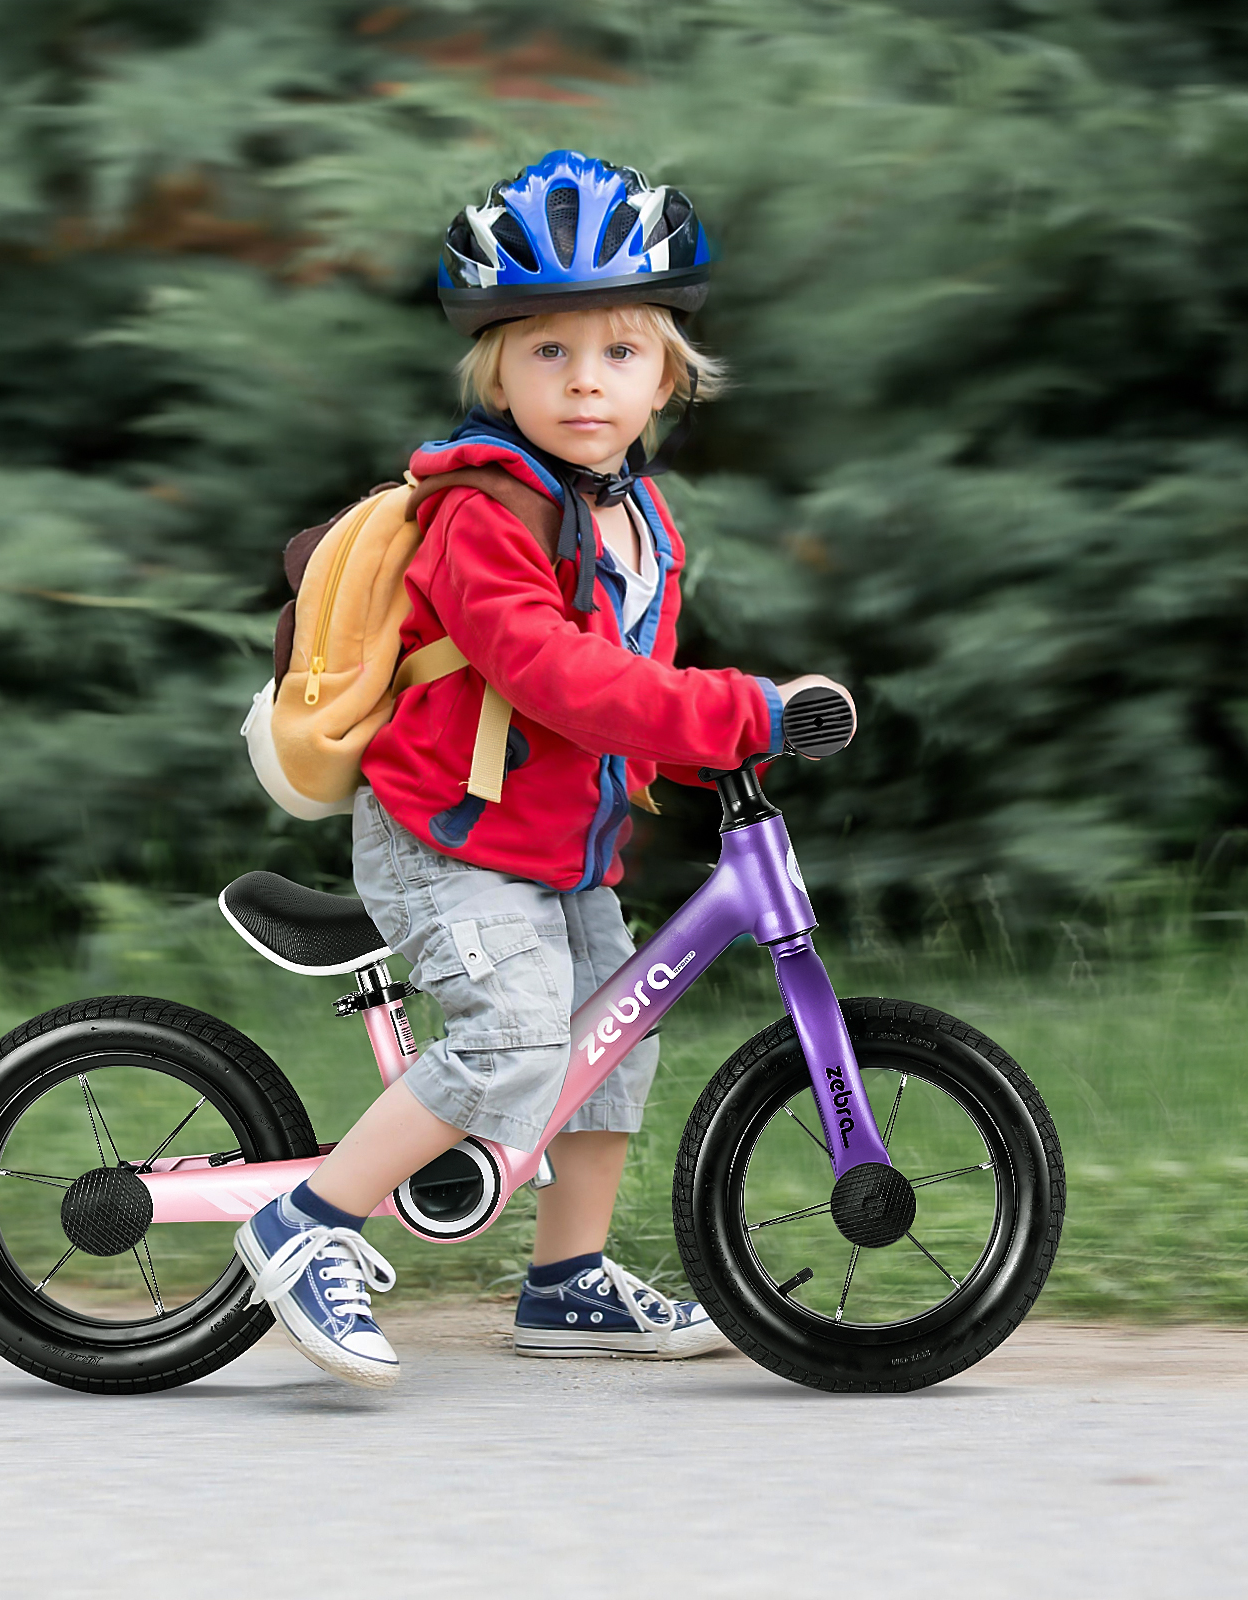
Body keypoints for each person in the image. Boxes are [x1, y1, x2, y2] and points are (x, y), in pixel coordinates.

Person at [234, 150, 847, 1388]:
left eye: (618, 353)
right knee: (516, 1035)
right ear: (493, 370)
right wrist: (736, 712)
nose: (583, 383)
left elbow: (626, 690)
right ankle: (304, 1226)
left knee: (615, 1039)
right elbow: (551, 674)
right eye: (547, 353)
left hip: (560, 840)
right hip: (448, 836)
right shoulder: (484, 512)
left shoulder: (641, 519)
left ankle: (567, 1282)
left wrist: (703, 753)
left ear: (667, 373)